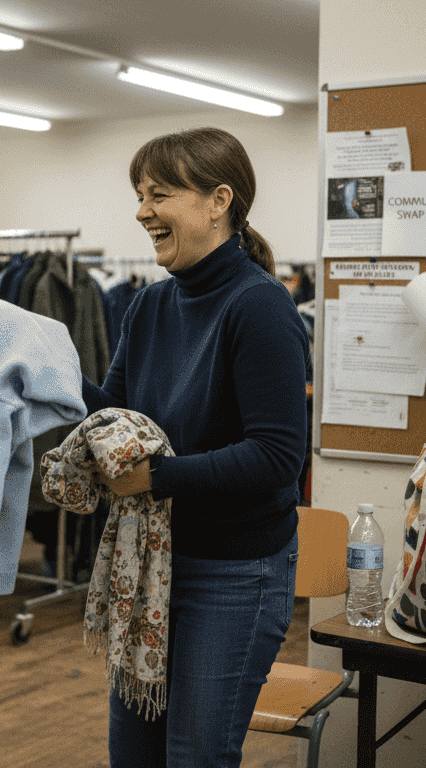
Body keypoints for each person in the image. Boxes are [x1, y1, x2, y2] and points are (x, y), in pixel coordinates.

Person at [81, 127, 310, 767]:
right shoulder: (150, 306)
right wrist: (35, 366)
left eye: (158, 194)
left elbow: (275, 459)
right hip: (152, 564)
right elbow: (114, 417)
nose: (141, 211)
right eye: (138, 194)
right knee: (133, 753)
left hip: (234, 573)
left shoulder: (260, 307)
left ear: (218, 201)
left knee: (195, 756)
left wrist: (157, 477)